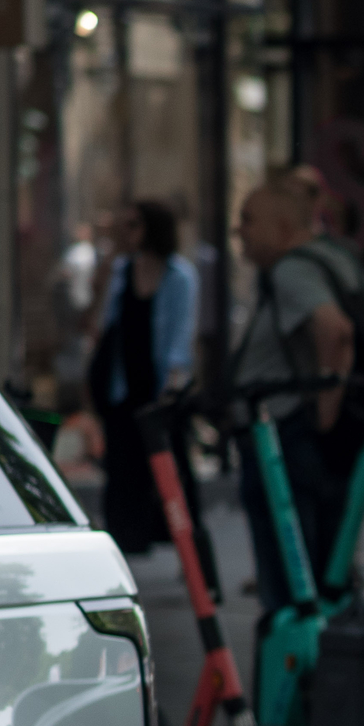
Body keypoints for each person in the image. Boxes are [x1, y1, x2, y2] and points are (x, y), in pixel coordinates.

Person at [230, 173, 364, 616]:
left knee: (292, 585)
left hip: (285, 439)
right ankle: (323, 668)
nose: (239, 232)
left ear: (283, 228)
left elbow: (335, 330)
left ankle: (294, 675)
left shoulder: (291, 269)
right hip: (309, 441)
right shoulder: (336, 259)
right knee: (325, 571)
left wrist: (326, 412)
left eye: (248, 221)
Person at [86, 200, 210, 567]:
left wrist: (173, 385)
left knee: (174, 473)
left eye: (134, 226)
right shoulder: (122, 271)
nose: (127, 234)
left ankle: (192, 555)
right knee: (122, 469)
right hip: (123, 386)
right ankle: (124, 547)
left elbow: (180, 337)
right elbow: (102, 326)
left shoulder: (179, 276)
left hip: (159, 388)